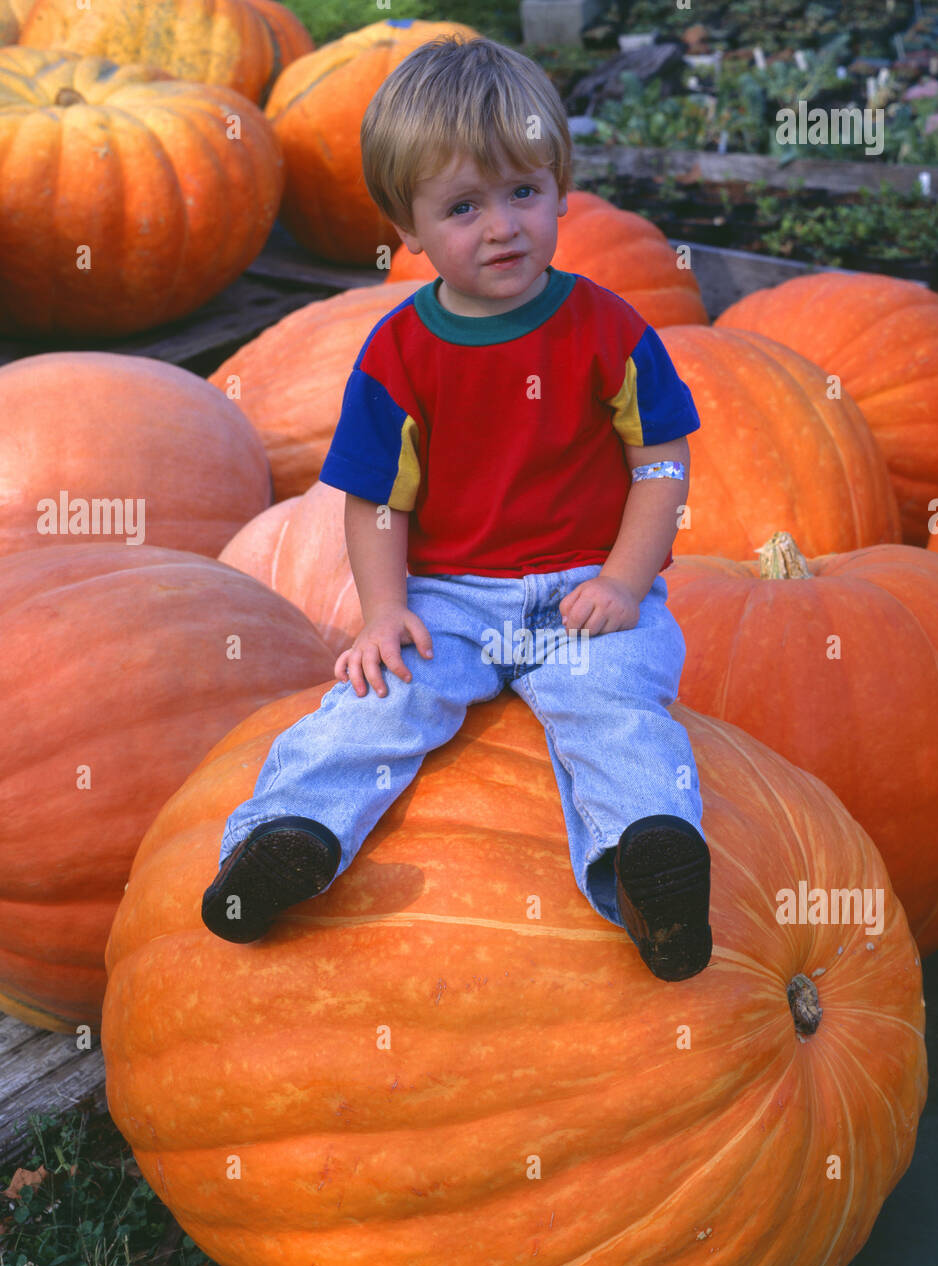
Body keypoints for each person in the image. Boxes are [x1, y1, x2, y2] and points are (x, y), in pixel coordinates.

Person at [201, 35, 712, 981]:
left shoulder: (609, 328)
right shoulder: (399, 353)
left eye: (524, 192)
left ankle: (653, 865)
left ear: (562, 188)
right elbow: (376, 504)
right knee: (378, 703)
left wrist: (625, 581)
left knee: (617, 708)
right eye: (464, 207)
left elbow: (660, 464)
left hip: (582, 596)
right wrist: (384, 611)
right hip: (449, 598)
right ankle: (284, 838)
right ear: (410, 228)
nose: (503, 227)